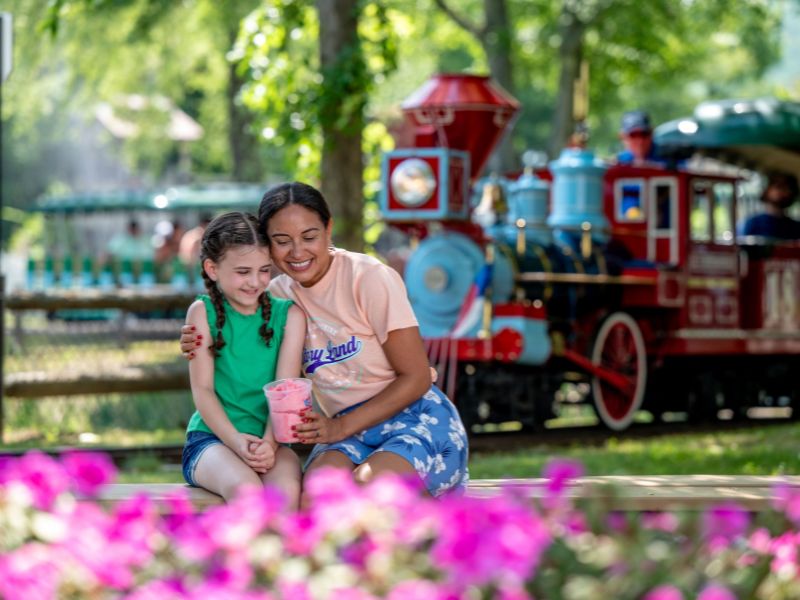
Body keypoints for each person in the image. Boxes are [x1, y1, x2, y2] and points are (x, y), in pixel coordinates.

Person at [181, 182, 469, 500]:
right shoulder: (274, 295)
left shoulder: (369, 277)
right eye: (281, 241)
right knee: (317, 496)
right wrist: (194, 335)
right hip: (347, 429)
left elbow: (416, 378)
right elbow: (226, 312)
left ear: (328, 229)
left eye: (309, 236)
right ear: (266, 244)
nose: (297, 252)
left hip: (414, 417)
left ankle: (436, 531)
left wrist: (339, 429)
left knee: (365, 487)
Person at [181, 211, 306, 507]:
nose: (255, 281)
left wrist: (269, 444)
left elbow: (284, 391)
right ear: (212, 268)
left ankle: (277, 555)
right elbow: (203, 390)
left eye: (264, 270)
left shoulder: (289, 316)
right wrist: (236, 441)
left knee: (286, 495)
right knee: (246, 491)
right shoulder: (202, 313)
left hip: (271, 439)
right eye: (242, 272)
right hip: (212, 440)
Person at [739, 173, 800, 241]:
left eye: (789, 188)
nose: (785, 192)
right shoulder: (752, 225)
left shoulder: (796, 227)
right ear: (767, 190)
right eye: (779, 186)